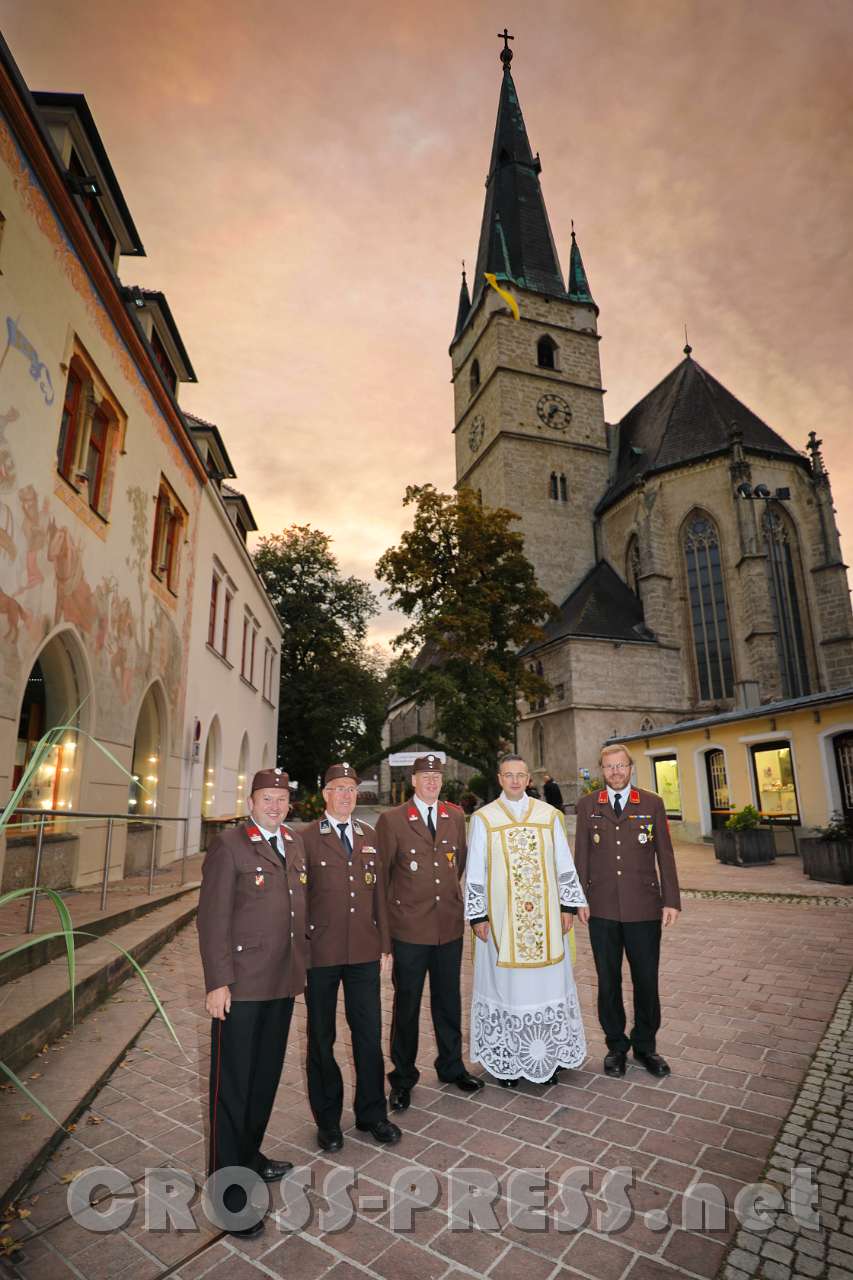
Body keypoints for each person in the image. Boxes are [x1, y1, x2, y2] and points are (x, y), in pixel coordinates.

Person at [197, 767, 307, 1239]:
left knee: (264, 1080)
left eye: (282, 797)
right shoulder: (230, 846)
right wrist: (218, 982)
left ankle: (250, 1155)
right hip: (240, 987)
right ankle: (227, 1190)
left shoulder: (293, 841)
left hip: (281, 983)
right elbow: (212, 918)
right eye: (267, 797)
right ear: (251, 801)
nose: (275, 805)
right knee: (233, 1088)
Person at [464, 754, 587, 1087]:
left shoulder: (549, 816)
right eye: (509, 775)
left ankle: (549, 1057)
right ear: (500, 778)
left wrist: (568, 907)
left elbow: (564, 863)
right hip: (502, 925)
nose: (515, 781)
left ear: (529, 779)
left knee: (548, 986)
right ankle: (509, 1060)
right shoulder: (484, 819)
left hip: (547, 921)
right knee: (509, 990)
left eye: (521, 775)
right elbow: (475, 869)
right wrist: (478, 915)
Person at [302, 763, 401, 1151]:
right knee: (321, 1037)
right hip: (321, 953)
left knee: (368, 1034)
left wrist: (385, 945)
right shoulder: (307, 838)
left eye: (351, 789)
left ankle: (372, 1114)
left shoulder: (368, 835)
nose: (346, 795)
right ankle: (328, 1121)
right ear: (325, 794)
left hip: (363, 949)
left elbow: (380, 894)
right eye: (338, 788)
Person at [376, 754, 483, 1110]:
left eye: (437, 776)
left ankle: (451, 1066)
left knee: (448, 1001)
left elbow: (460, 864)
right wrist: (385, 936)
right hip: (409, 929)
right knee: (406, 1007)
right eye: (425, 777)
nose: (432, 782)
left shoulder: (454, 816)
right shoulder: (392, 820)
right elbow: (382, 880)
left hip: (447, 927)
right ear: (413, 781)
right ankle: (403, 1078)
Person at [574, 743, 681, 1080]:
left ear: (631, 768)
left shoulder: (651, 803)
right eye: (609, 767)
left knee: (646, 980)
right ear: (601, 771)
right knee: (608, 982)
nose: (616, 772)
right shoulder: (588, 806)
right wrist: (578, 899)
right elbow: (582, 858)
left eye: (621, 766)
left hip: (644, 909)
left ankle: (646, 1046)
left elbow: (665, 854)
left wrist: (671, 900)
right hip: (602, 909)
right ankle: (616, 1047)